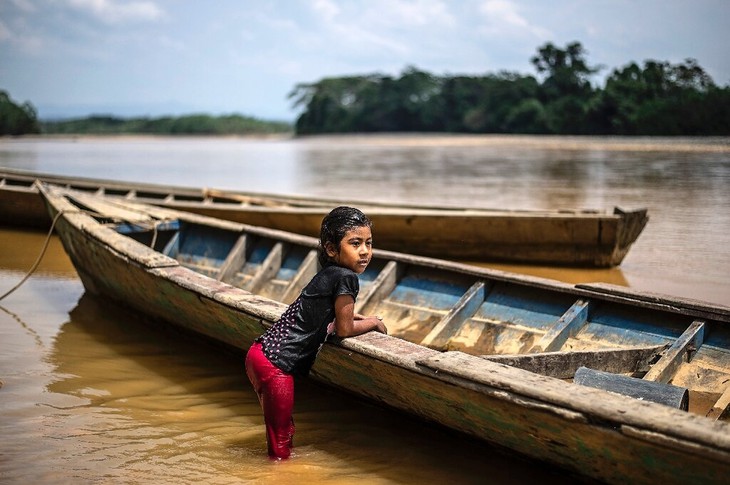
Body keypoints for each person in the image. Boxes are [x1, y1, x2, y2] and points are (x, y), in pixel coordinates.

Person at [245, 206, 388, 459]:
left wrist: (353, 316)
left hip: (258, 355)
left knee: (282, 432)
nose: (365, 251)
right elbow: (344, 330)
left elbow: (321, 312)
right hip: (276, 366)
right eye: (355, 243)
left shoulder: (328, 274)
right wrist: (374, 322)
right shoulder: (347, 278)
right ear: (332, 249)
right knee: (280, 446)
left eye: (368, 243)